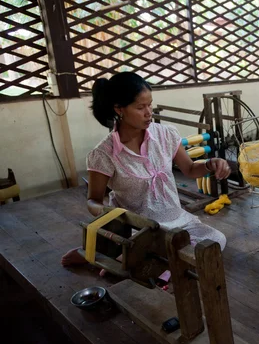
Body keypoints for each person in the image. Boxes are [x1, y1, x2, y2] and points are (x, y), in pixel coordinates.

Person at [61, 72, 230, 271]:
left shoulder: (166, 134)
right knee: (163, 256)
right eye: (140, 107)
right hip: (140, 230)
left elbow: (191, 169)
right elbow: (93, 200)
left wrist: (211, 163)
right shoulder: (104, 154)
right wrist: (111, 214)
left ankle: (123, 258)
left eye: (150, 104)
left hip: (177, 220)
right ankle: (112, 254)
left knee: (216, 240)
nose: (149, 112)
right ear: (119, 109)